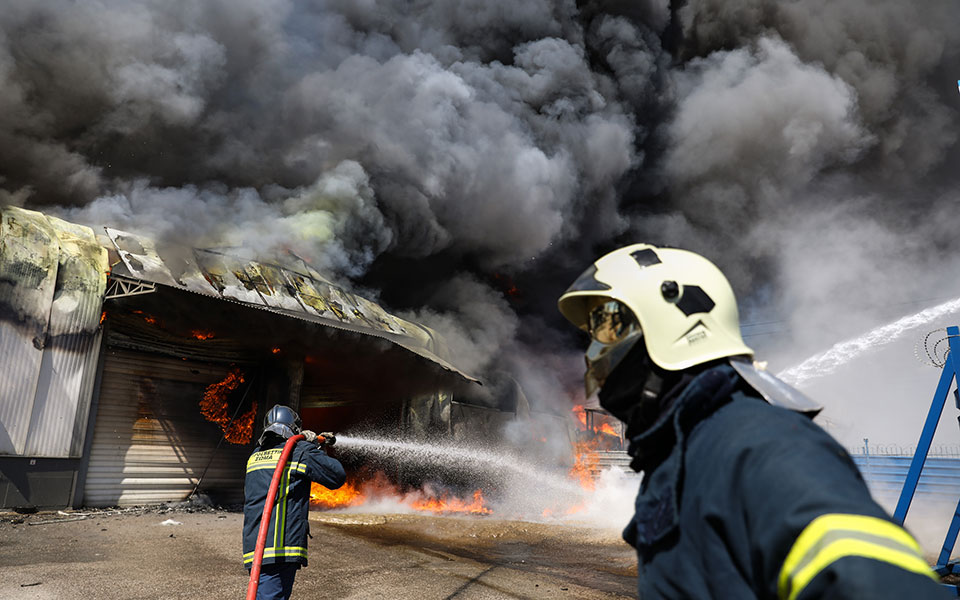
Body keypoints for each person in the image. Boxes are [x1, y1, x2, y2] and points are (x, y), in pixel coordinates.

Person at [557, 243, 951, 599]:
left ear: (669, 325)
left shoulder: (762, 446)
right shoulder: (686, 452)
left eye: (609, 327)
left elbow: (879, 586)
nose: (595, 351)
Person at [242, 404, 346, 600]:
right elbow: (336, 476)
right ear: (295, 429)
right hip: (279, 549)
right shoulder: (298, 452)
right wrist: (311, 446)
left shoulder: (254, 456)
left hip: (255, 547)